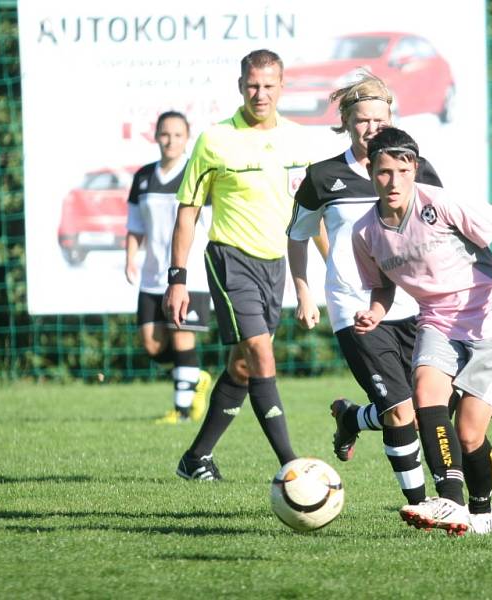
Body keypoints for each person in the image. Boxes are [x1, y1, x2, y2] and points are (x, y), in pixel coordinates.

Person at [352, 127, 492, 536]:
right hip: (436, 320)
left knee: (468, 434)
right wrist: (376, 312)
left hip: (489, 321)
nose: (392, 181)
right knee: (427, 392)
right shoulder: (365, 232)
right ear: (370, 171)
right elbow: (382, 284)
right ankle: (451, 501)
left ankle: (481, 505)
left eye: (400, 170)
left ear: (413, 168)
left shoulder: (440, 204)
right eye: (382, 172)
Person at [286, 72, 443, 507]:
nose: (371, 128)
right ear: (345, 122)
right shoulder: (323, 177)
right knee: (400, 412)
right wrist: (303, 292)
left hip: (416, 304)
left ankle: (353, 417)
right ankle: (419, 504)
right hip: (355, 308)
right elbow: (298, 235)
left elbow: (436, 230)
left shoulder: (417, 168)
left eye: (379, 118)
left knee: (430, 405)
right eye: (361, 120)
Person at [165, 49, 312, 481]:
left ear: (282, 87)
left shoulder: (298, 140)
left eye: (268, 86)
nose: (260, 94)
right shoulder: (215, 140)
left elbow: (309, 216)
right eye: (252, 85)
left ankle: (195, 459)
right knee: (262, 356)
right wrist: (178, 280)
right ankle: (292, 467)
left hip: (274, 266)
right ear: (240, 86)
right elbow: (188, 211)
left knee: (243, 367)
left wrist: (309, 284)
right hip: (229, 259)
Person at [125, 110, 212, 424]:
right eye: (165, 134)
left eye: (177, 134)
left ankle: (183, 411)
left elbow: (210, 223)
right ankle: (196, 376)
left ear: (186, 138)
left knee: (181, 337)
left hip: (190, 274)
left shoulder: (196, 173)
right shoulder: (144, 177)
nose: (170, 140)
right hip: (152, 276)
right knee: (151, 343)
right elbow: (135, 225)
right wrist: (130, 257)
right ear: (156, 136)